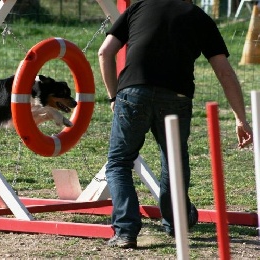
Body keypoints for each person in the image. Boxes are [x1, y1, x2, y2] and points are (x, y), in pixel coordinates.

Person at [98, 0, 253, 249]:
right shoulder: (197, 15)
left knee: (119, 162)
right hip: (177, 96)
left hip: (133, 92)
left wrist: (114, 96)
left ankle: (126, 231)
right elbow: (224, 71)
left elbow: (105, 52)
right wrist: (240, 118)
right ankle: (176, 222)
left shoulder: (139, 7)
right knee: (174, 161)